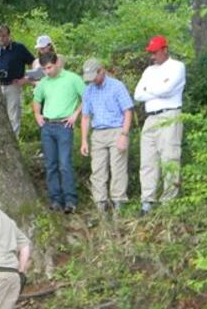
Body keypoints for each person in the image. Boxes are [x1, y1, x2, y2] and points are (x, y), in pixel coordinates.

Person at [133, 35, 186, 215]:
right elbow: (138, 94)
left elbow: (167, 90)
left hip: (170, 115)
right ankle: (147, 201)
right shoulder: (149, 71)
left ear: (164, 50)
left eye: (155, 52)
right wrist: (156, 90)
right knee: (147, 159)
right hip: (151, 117)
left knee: (169, 157)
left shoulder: (177, 67)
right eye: (151, 53)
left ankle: (168, 201)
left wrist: (151, 89)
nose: (152, 56)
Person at [31, 52, 84, 213]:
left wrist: (75, 114)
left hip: (64, 126)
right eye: (44, 69)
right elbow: (36, 100)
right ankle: (55, 200)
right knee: (50, 164)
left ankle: (70, 200)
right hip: (47, 126)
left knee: (64, 164)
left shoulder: (72, 78)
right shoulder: (44, 83)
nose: (47, 71)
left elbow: (87, 97)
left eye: (49, 67)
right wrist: (37, 114)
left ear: (57, 64)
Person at [80, 59, 134, 214]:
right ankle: (100, 205)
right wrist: (84, 140)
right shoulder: (89, 90)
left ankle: (118, 204)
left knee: (117, 168)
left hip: (117, 130)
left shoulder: (117, 86)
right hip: (97, 133)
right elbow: (85, 117)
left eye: (94, 76)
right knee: (97, 170)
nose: (92, 80)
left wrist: (124, 134)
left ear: (102, 71)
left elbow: (128, 111)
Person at [0, 24, 35, 135]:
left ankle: (14, 141)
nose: (2, 38)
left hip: (13, 84)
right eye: (0, 36)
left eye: (4, 35)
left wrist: (27, 78)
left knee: (13, 115)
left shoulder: (19, 48)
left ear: (9, 35)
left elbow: (33, 63)